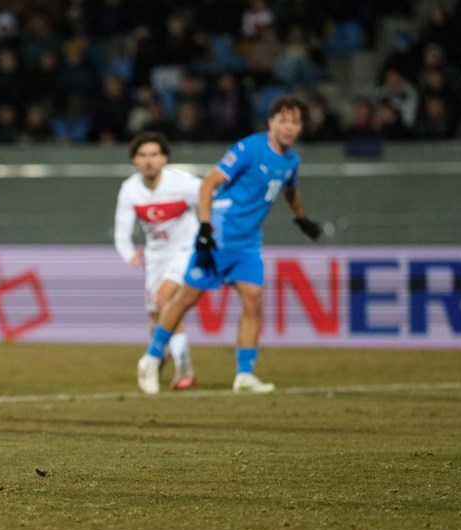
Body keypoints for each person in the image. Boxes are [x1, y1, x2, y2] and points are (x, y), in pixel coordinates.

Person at [136, 95, 321, 395]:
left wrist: (302, 219)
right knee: (185, 300)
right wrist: (206, 228)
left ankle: (244, 375)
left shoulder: (292, 160)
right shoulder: (250, 148)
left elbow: (290, 190)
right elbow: (208, 183)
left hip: (248, 243)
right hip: (220, 235)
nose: (289, 127)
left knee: (254, 300)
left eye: (295, 121)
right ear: (271, 122)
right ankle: (151, 357)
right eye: (283, 120)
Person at [114, 131, 200, 390]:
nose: (149, 160)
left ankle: (184, 367)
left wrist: (207, 233)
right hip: (155, 256)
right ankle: (159, 355)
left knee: (165, 300)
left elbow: (209, 199)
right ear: (134, 160)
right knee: (156, 316)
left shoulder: (184, 183)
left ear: (164, 159)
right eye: (142, 155)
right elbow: (121, 232)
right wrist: (130, 254)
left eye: (154, 154)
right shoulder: (130, 189)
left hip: (186, 248)